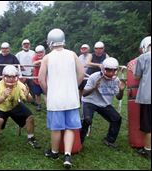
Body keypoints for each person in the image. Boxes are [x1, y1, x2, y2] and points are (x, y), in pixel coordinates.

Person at [38, 28, 84, 169]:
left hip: (55, 98)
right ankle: (67, 155)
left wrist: (48, 91)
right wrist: (73, 86)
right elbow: (81, 74)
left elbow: (41, 79)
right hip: (71, 98)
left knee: (56, 128)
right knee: (70, 127)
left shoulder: (47, 58)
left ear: (50, 42)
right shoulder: (73, 55)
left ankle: (54, 152)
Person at [0, 65, 41, 153]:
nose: (11, 79)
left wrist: (27, 95)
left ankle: (31, 138)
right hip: (1, 107)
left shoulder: (19, 85)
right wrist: (3, 96)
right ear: (3, 76)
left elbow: (30, 100)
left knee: (30, 117)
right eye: (8, 76)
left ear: (17, 77)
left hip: (14, 105)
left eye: (13, 76)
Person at [80, 57, 126, 149]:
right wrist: (94, 87)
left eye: (114, 70)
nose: (111, 73)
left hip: (104, 104)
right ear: (103, 69)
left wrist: (121, 90)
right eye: (108, 70)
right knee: (87, 120)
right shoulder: (94, 76)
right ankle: (79, 141)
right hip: (90, 101)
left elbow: (119, 97)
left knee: (116, 118)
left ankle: (109, 140)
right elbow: (84, 94)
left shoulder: (116, 80)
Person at [134, 36, 151, 160]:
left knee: (148, 124)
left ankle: (147, 150)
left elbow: (137, 77)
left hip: (148, 95)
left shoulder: (143, 57)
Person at [16, 39, 36, 104]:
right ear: (22, 45)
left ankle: (32, 100)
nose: (26, 45)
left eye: (27, 44)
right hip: (22, 74)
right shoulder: (19, 54)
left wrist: (34, 69)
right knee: (21, 87)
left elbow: (35, 62)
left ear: (29, 45)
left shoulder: (33, 53)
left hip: (31, 73)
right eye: (25, 44)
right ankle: (22, 99)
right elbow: (16, 63)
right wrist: (19, 71)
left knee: (32, 87)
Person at [32, 45, 46, 111]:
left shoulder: (47, 57)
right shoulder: (34, 57)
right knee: (37, 93)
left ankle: (48, 105)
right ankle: (39, 105)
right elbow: (34, 63)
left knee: (46, 93)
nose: (39, 54)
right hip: (36, 79)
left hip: (45, 79)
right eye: (38, 52)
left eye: (41, 52)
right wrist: (41, 61)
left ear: (43, 52)